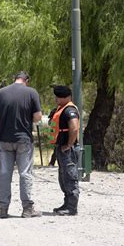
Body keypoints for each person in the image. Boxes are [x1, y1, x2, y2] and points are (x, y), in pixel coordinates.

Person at [0, 71, 42, 218]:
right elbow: (38, 117)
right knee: (25, 173)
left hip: (4, 139)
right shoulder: (31, 93)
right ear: (27, 80)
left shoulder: (1, 92)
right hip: (23, 140)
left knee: (5, 174)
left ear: (15, 79)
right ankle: (27, 209)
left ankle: (3, 209)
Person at [50, 85, 80, 216]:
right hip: (61, 147)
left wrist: (69, 144)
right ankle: (66, 203)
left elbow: (74, 128)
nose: (56, 99)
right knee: (63, 177)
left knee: (70, 177)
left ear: (66, 97)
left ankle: (72, 207)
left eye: (58, 97)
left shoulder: (69, 110)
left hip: (68, 149)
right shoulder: (61, 109)